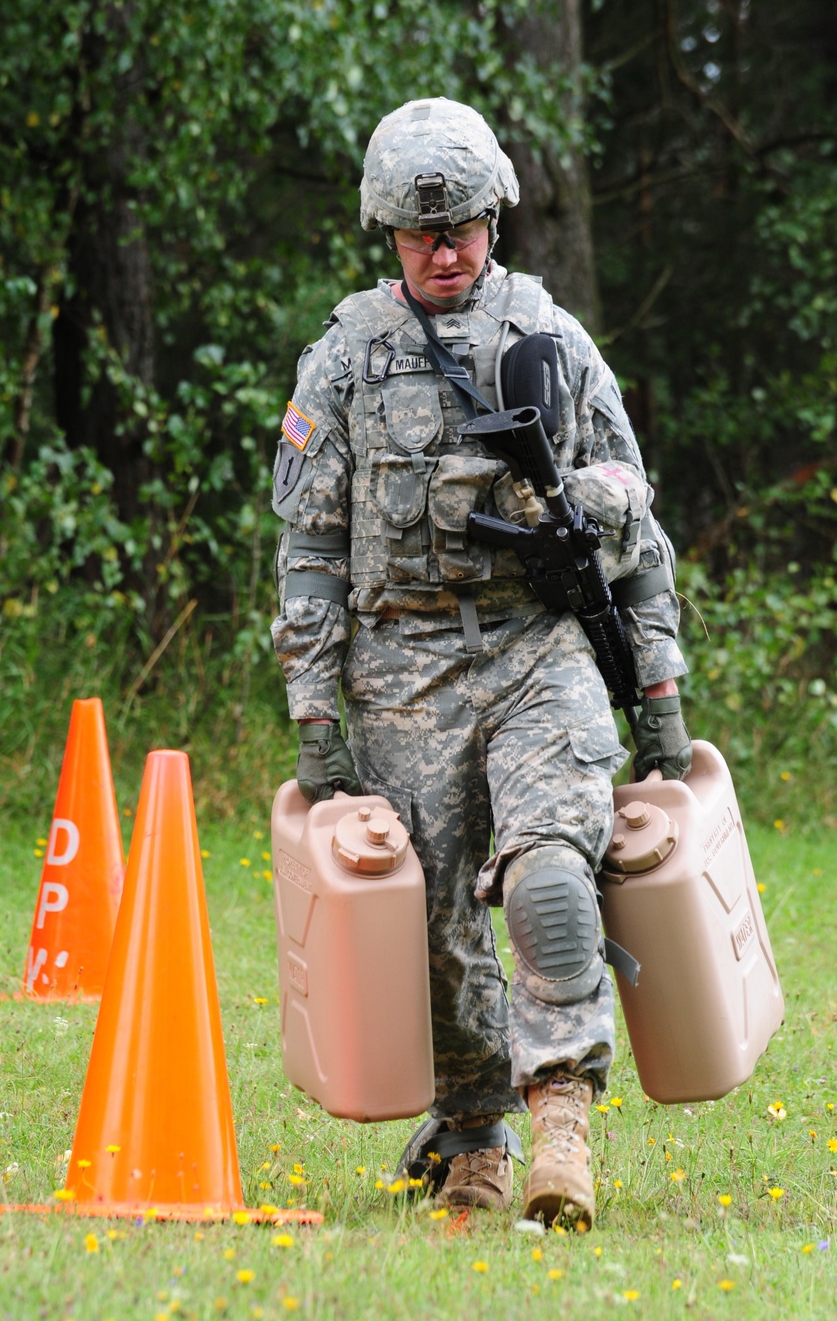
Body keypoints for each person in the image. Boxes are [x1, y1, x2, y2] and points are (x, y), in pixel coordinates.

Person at [269, 97, 691, 1227]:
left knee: (551, 868)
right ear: (387, 234)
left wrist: (659, 695)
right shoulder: (346, 361)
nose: (443, 249)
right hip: (400, 669)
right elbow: (309, 550)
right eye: (421, 233)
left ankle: (562, 1123)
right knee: (433, 930)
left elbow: (637, 526)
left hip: (533, 650)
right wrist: (316, 715)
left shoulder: (550, 340)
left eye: (459, 227)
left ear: (493, 218)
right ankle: (474, 1136)